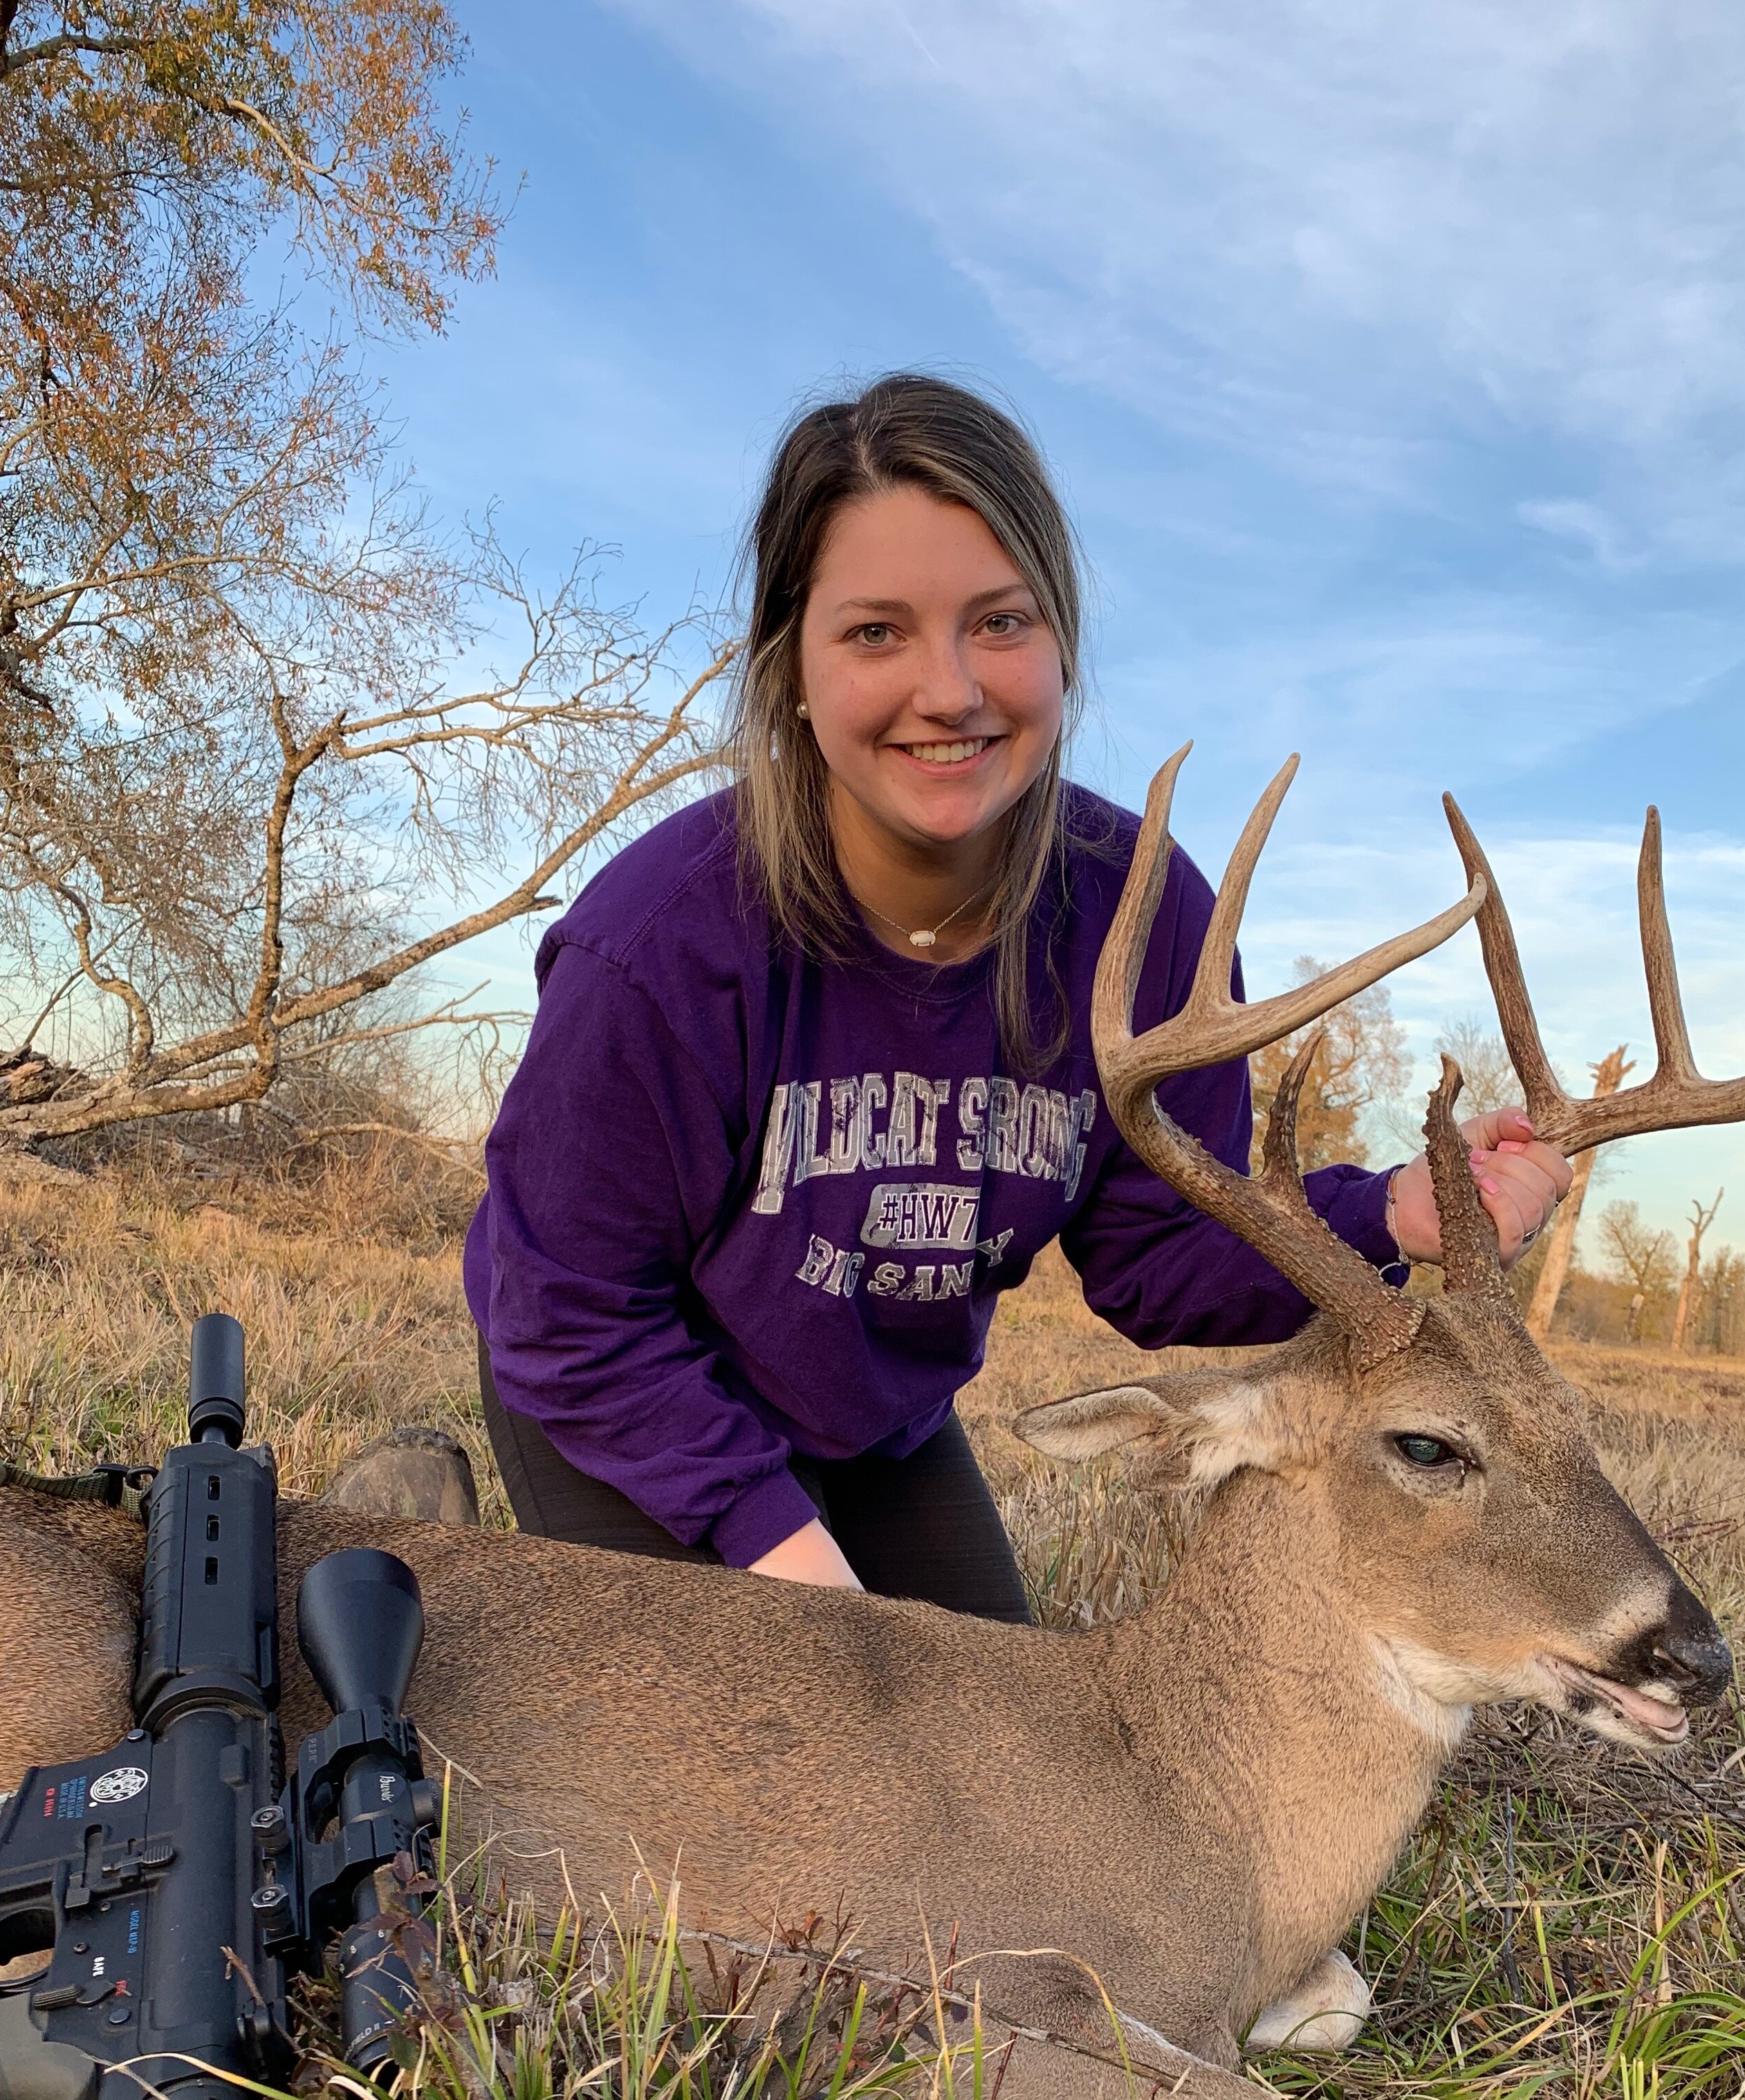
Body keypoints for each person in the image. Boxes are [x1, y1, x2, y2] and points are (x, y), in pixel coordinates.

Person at [465, 374, 1569, 1621]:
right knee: (797, 1774)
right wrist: (791, 1566)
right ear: (792, 666)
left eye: (1000, 623)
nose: (950, 691)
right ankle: (441, 1563)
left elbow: (1158, 1260)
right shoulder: (660, 946)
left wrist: (1397, 1211)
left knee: (1002, 1756)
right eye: (876, 632)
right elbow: (571, 1315)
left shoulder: (1139, 919)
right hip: (627, 1400)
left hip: (872, 1427)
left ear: (1062, 644)